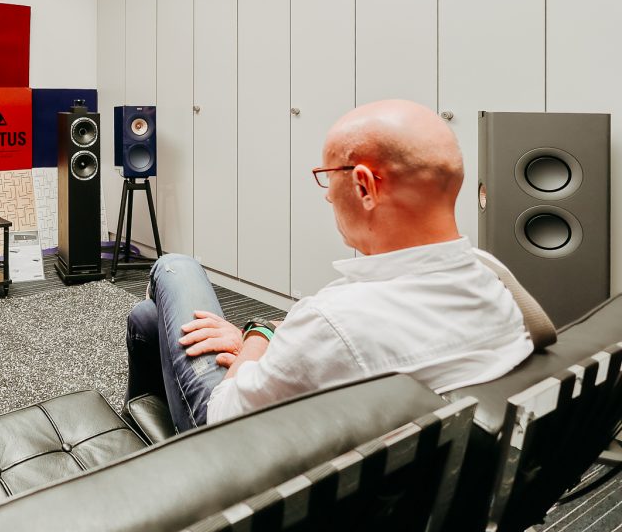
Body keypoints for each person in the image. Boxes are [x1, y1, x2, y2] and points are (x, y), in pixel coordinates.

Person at [125, 99, 534, 432]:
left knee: (176, 267)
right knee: (149, 319)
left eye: (327, 175)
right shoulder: (493, 279)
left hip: (228, 449)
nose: (326, 195)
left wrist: (259, 333)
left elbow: (222, 418)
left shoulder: (335, 321)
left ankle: (156, 461)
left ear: (365, 186)